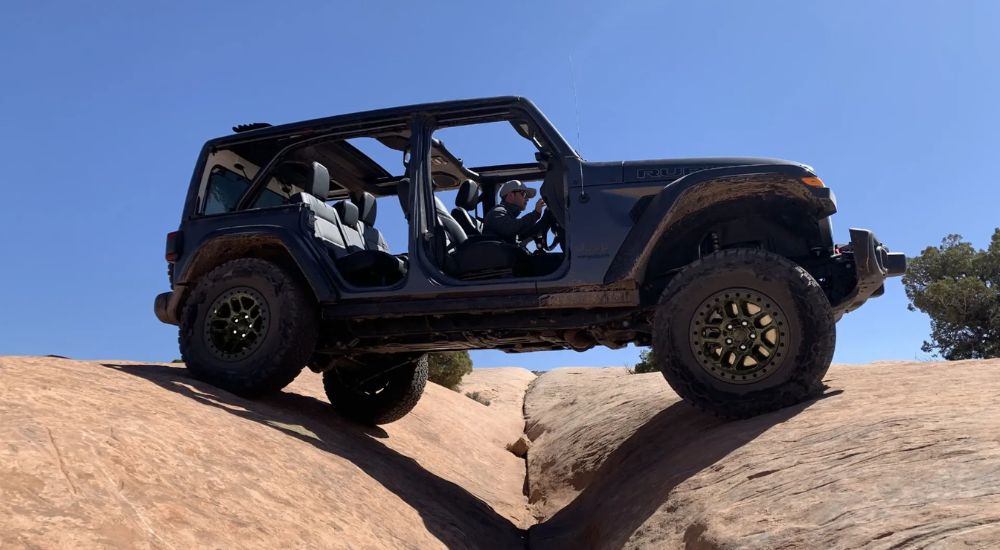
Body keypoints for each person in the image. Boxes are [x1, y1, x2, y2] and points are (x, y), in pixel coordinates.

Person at [484, 180, 562, 276]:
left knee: (560, 260)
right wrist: (535, 214)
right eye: (523, 194)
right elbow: (510, 228)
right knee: (560, 265)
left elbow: (526, 234)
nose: (527, 199)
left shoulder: (508, 215)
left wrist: (545, 219)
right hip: (510, 266)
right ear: (510, 195)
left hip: (517, 263)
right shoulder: (497, 212)